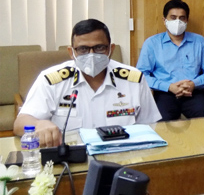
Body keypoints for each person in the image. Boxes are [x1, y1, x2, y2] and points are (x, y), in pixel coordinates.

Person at [14, 19, 161, 147]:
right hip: (71, 161)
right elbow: (20, 123)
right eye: (83, 49)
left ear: (111, 49)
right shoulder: (51, 80)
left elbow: (151, 126)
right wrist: (39, 124)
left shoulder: (133, 79)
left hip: (122, 159)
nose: (91, 55)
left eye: (99, 48)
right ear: (71, 52)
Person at [137, 0, 204, 121]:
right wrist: (168, 86)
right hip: (165, 93)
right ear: (164, 20)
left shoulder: (200, 41)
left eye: (182, 18)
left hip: (194, 92)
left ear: (187, 21)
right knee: (162, 124)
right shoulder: (152, 43)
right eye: (173, 17)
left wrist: (193, 84)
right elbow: (141, 75)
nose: (177, 22)